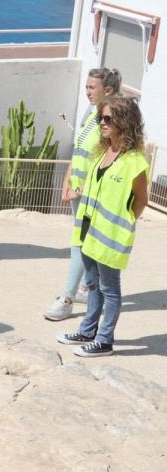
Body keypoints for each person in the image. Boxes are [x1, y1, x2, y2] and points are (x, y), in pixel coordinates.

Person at [57, 96, 148, 357]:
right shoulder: (102, 151)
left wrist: (122, 222)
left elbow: (141, 201)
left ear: (124, 122)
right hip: (88, 231)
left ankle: (105, 339)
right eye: (101, 119)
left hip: (110, 237)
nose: (103, 124)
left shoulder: (135, 162)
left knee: (110, 290)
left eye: (108, 119)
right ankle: (87, 330)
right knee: (92, 285)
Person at [44, 68, 122, 321]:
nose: (87, 92)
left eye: (92, 88)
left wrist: (85, 189)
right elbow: (79, 149)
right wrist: (68, 182)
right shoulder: (93, 117)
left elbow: (107, 160)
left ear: (107, 91)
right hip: (78, 192)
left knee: (79, 244)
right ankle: (85, 288)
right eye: (87, 87)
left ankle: (66, 299)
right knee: (81, 243)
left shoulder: (109, 123)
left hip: (91, 195)